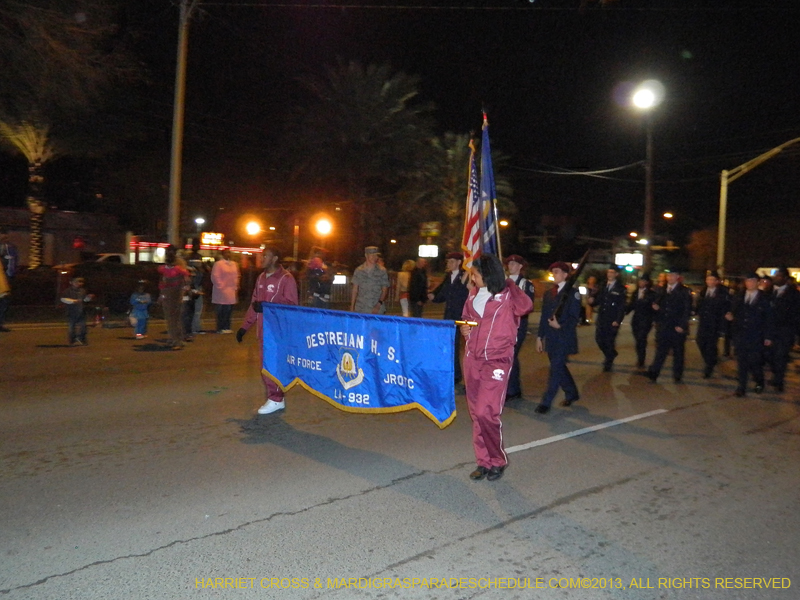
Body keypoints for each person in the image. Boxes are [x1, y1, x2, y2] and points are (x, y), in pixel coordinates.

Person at [460, 254, 532, 482]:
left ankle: (497, 460)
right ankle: (483, 461)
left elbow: (526, 306)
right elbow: (466, 318)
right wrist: (465, 328)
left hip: (497, 360)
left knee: (486, 412)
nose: (472, 279)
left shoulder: (508, 295)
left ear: (488, 274)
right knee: (476, 414)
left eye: (475, 274)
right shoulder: (473, 294)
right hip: (473, 359)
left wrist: (508, 282)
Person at [236, 246, 299, 415]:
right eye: (261, 255)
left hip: (278, 332)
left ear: (275, 258)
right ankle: (276, 398)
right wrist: (244, 327)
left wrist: (268, 307)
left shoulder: (286, 278)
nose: (261, 258)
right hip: (263, 331)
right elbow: (254, 304)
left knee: (273, 365)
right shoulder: (261, 278)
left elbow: (292, 305)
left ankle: (276, 398)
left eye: (265, 256)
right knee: (265, 365)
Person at [535, 261, 581, 414]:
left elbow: (574, 317)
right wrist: (539, 337)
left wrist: (560, 325)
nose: (554, 274)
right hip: (551, 338)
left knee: (555, 369)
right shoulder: (549, 293)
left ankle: (546, 402)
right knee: (560, 368)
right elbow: (544, 317)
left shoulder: (572, 293)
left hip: (564, 337)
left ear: (565, 275)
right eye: (553, 271)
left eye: (557, 272)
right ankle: (572, 393)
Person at [725, 272, 773, 397]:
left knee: (755, 362)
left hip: (756, 335)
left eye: (752, 281)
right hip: (741, 334)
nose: (750, 283)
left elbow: (769, 318)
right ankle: (741, 387)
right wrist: (731, 317)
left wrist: (768, 336)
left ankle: (759, 381)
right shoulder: (739, 296)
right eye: (748, 281)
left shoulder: (764, 298)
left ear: (758, 282)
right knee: (742, 362)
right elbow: (734, 311)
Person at [428, 251, 470, 392]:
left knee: (466, 347)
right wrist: (434, 297)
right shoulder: (449, 276)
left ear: (459, 262)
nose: (449, 264)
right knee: (451, 346)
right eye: (448, 261)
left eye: (452, 261)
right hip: (450, 316)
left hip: (463, 316)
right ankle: (454, 375)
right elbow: (443, 293)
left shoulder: (465, 276)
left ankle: (466, 379)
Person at [646, 269, 692, 383]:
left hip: (677, 326)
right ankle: (654, 373)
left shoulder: (684, 291)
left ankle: (677, 375)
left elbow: (687, 309)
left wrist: (682, 325)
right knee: (661, 350)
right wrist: (656, 310)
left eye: (672, 275)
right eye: (668, 275)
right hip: (664, 325)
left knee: (678, 352)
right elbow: (660, 305)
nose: (670, 278)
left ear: (677, 277)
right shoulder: (662, 290)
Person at [503, 254, 535, 399]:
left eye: (514, 264)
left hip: (518, 325)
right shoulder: (503, 282)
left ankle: (513, 390)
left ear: (520, 266)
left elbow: (527, 305)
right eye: (509, 264)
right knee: (507, 356)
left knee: (511, 355)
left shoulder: (525, 284)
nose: (511, 266)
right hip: (504, 324)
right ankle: (511, 387)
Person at [767, 267, 799, 392]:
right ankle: (775, 375)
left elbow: (796, 314)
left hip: (785, 331)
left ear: (785, 278)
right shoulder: (770, 291)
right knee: (770, 355)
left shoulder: (794, 294)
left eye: (779, 276)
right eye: (776, 276)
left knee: (781, 356)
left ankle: (779, 381)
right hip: (771, 330)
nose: (776, 278)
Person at [590, 266, 627, 371]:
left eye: (612, 272)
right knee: (599, 339)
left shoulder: (621, 288)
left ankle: (608, 362)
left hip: (612, 318)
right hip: (602, 317)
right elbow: (598, 300)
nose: (609, 274)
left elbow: (622, 306)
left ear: (616, 274)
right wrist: (592, 302)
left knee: (609, 341)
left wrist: (618, 320)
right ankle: (611, 354)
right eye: (608, 272)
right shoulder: (603, 286)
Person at [694, 270, 730, 378]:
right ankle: (711, 360)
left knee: (710, 345)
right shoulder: (704, 291)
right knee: (700, 341)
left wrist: (723, 324)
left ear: (717, 281)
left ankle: (709, 367)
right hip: (703, 322)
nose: (710, 281)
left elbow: (724, 308)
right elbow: (699, 304)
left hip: (715, 323)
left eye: (712, 280)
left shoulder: (722, 293)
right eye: (708, 279)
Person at [158, 245, 189, 350]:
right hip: (172, 293)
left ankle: (177, 340)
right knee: (172, 318)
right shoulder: (173, 267)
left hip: (174, 293)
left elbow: (183, 279)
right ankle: (174, 339)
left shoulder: (177, 265)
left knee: (173, 318)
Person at [626, 273, 657, 369]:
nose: (641, 283)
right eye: (640, 281)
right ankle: (640, 356)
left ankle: (641, 359)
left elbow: (653, 307)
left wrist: (655, 319)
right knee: (637, 339)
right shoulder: (636, 292)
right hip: (636, 319)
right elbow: (631, 305)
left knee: (641, 338)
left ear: (647, 282)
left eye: (644, 281)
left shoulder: (651, 294)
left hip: (646, 319)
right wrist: (624, 310)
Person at [350, 246, 389, 314]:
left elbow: (385, 290)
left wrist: (379, 304)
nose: (375, 257)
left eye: (376, 255)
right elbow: (355, 290)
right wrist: (352, 306)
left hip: (376, 308)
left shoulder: (382, 270)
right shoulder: (359, 270)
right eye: (372, 255)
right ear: (366, 255)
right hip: (361, 307)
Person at [211, 248, 240, 333]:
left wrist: (236, 286)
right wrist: (220, 286)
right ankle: (220, 327)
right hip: (221, 290)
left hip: (231, 289)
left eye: (229, 253)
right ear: (223, 254)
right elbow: (215, 276)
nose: (228, 254)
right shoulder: (218, 264)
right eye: (226, 253)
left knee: (229, 309)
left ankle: (227, 327)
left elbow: (237, 275)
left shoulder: (234, 264)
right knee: (221, 309)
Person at [60, 276, 94, 346]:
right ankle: (72, 340)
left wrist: (88, 297)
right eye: (77, 282)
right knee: (71, 327)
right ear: (71, 283)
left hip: (81, 311)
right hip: (71, 311)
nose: (79, 283)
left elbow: (84, 300)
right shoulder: (67, 291)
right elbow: (63, 299)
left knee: (83, 327)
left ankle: (82, 338)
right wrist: (74, 301)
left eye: (80, 282)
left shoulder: (82, 291)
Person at [186, 241, 208, 335]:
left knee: (195, 308)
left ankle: (193, 327)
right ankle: (194, 328)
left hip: (195, 286)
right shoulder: (193, 259)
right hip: (194, 286)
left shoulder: (190, 258)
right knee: (196, 308)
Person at [0, 229, 18, 332]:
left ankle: (0, 323)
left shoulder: (10, 247)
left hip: (5, 277)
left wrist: (11, 273)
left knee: (4, 301)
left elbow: (14, 261)